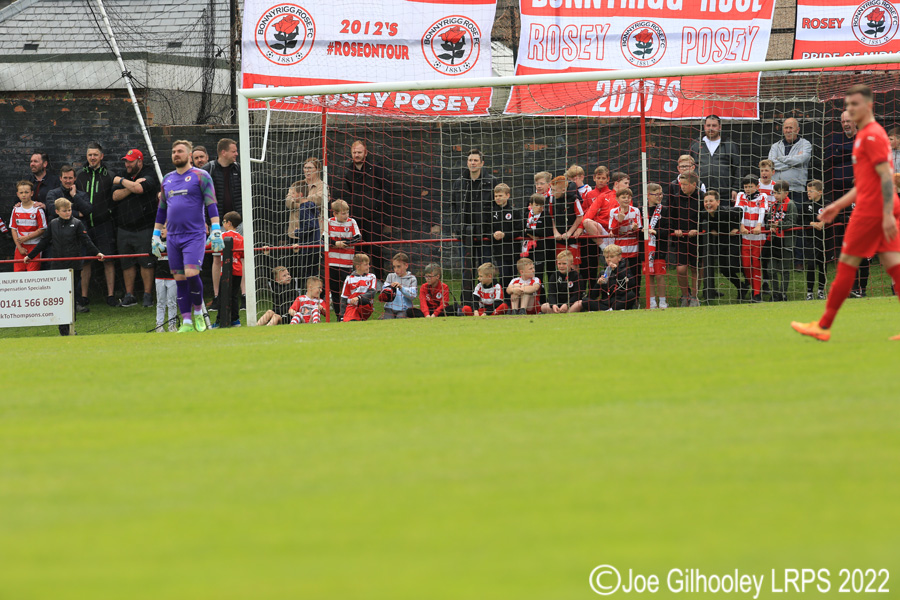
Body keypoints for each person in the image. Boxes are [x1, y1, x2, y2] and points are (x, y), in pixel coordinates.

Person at [793, 85, 900, 340]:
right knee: (895, 267)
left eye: (855, 105)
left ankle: (823, 326)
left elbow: (886, 177)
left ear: (869, 106)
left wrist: (885, 214)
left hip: (873, 210)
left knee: (846, 265)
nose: (850, 110)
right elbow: (865, 182)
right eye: (848, 105)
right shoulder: (867, 134)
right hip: (876, 205)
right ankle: (823, 325)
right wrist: (837, 205)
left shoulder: (872, 136)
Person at [153, 140, 223, 333]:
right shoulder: (167, 179)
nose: (176, 154)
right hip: (173, 236)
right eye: (174, 151)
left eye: (180, 151)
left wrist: (216, 228)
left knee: (192, 273)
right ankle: (187, 322)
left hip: (194, 234)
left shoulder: (201, 176)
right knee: (179, 279)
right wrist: (156, 235)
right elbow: (162, 210)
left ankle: (199, 313)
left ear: (189, 155)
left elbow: (211, 204)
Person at [24, 198, 104, 333]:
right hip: (58, 266)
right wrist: (30, 256)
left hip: (74, 266)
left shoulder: (77, 223)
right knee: (59, 298)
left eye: (69, 210)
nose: (68, 213)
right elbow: (44, 242)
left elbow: (86, 241)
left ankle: (71, 326)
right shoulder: (53, 224)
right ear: (57, 211)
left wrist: (97, 253)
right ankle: (63, 327)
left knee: (71, 297)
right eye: (64, 211)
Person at [335, 140, 393, 275]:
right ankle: (361, 278)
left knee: (376, 249)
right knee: (359, 250)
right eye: (354, 152)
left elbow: (387, 188)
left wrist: (377, 204)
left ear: (365, 153)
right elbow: (350, 190)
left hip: (375, 217)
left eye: (359, 152)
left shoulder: (377, 168)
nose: (357, 155)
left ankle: (379, 279)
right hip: (357, 218)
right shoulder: (349, 171)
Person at [112, 148, 159, 307]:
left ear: (139, 161)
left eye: (130, 161)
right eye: (126, 161)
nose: (127, 164)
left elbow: (140, 189)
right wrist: (131, 185)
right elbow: (115, 196)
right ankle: (129, 295)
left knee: (146, 262)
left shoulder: (149, 173)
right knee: (127, 263)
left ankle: (147, 295)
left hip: (144, 226)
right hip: (124, 228)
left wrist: (121, 182)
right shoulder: (124, 174)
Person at [451, 148, 497, 303]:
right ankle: (467, 302)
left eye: (476, 160)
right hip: (465, 233)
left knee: (486, 268)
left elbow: (496, 205)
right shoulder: (459, 182)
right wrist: (456, 228)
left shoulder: (492, 181)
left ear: (482, 163)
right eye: (470, 160)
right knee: (467, 269)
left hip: (485, 232)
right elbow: (454, 207)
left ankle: (488, 302)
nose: (473, 163)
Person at [76, 142, 117, 307]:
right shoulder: (79, 175)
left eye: (95, 155)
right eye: (89, 155)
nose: (92, 158)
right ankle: (84, 297)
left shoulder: (109, 175)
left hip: (104, 224)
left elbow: (115, 198)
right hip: (84, 224)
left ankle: (111, 295)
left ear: (101, 156)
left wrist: (109, 213)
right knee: (86, 261)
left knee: (108, 259)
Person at [203, 138, 242, 309]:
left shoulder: (239, 169)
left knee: (242, 257)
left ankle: (243, 297)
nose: (236, 154)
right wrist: (204, 222)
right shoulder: (208, 170)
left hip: (239, 223)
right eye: (234, 151)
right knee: (217, 258)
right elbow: (199, 198)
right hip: (216, 223)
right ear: (223, 152)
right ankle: (218, 296)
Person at [699, 190, 746, 301]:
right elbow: (704, 224)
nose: (708, 204)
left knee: (734, 265)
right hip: (721, 242)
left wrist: (736, 227)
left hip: (733, 240)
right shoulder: (704, 213)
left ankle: (749, 283)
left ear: (718, 202)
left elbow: (739, 211)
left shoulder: (726, 211)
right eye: (705, 201)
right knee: (724, 269)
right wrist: (712, 229)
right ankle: (741, 287)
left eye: (711, 201)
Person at [286, 157, 326, 284]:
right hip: (295, 232)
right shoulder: (297, 185)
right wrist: (304, 203)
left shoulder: (322, 186)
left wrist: (302, 202)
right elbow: (288, 201)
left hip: (312, 234)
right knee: (294, 266)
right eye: (305, 168)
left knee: (311, 268)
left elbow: (321, 200)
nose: (307, 170)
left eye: (310, 168)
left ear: (317, 169)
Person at [667, 172, 702, 306]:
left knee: (696, 268)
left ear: (694, 184)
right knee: (681, 269)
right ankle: (685, 296)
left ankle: (694, 297)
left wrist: (698, 229)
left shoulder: (701, 197)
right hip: (681, 239)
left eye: (686, 184)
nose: (683, 187)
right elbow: (671, 216)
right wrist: (674, 229)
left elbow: (705, 216)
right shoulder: (675, 198)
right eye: (681, 184)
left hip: (697, 240)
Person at [690, 115, 742, 201]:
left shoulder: (729, 145)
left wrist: (735, 188)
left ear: (719, 127)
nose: (711, 128)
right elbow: (689, 167)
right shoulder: (696, 145)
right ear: (704, 127)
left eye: (714, 125)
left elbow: (738, 168)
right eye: (708, 125)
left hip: (725, 194)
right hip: (700, 193)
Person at [325, 199, 361, 320]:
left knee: (348, 292)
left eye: (347, 213)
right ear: (334, 213)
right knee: (334, 292)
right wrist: (336, 243)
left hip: (347, 264)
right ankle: (339, 316)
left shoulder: (352, 222)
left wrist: (344, 243)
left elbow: (358, 238)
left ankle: (349, 315)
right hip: (332, 263)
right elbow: (324, 240)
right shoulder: (329, 222)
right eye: (343, 213)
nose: (346, 216)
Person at [735, 175, 769, 302]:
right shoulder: (741, 195)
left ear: (757, 186)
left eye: (751, 186)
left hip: (758, 237)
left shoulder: (762, 197)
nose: (748, 189)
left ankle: (756, 293)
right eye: (746, 187)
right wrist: (742, 225)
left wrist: (759, 226)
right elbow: (740, 210)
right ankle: (753, 286)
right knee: (746, 265)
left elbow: (762, 211)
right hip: (746, 236)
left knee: (756, 264)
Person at [763, 181, 797, 301]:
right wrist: (770, 226)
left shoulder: (791, 205)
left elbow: (793, 222)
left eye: (778, 193)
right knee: (771, 270)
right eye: (774, 193)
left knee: (784, 269)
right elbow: (767, 221)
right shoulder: (773, 206)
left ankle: (783, 293)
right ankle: (775, 292)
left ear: (786, 193)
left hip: (786, 241)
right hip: (773, 240)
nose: (776, 195)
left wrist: (778, 224)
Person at [581, 244, 637, 311]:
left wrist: (616, 270)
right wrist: (598, 284)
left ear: (619, 257)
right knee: (585, 301)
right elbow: (593, 296)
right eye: (607, 257)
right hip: (605, 302)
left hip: (619, 301)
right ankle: (609, 310)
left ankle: (611, 310)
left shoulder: (625, 269)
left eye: (612, 257)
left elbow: (632, 284)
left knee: (632, 295)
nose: (609, 259)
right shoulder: (603, 273)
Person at [213, 211, 244, 328]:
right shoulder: (241, 238)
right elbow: (242, 254)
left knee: (223, 296)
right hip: (238, 272)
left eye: (224, 222)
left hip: (226, 271)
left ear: (229, 223)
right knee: (234, 296)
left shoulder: (223, 236)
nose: (223, 224)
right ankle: (235, 320)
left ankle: (219, 320)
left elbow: (211, 246)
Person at [9, 181, 47, 272]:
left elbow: (42, 229)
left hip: (35, 246)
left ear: (32, 193)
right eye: (21, 193)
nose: (24, 195)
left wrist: (27, 237)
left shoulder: (37, 209)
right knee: (18, 274)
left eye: (26, 192)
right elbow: (13, 229)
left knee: (32, 275)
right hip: (20, 247)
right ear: (17, 194)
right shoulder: (16, 209)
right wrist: (19, 247)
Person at [802, 180, 829, 300]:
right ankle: (809, 292)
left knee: (823, 266)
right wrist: (812, 223)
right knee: (811, 265)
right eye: (807, 191)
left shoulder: (827, 204)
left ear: (820, 192)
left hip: (825, 240)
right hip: (810, 240)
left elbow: (836, 214)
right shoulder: (805, 205)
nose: (808, 193)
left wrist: (823, 222)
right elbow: (800, 220)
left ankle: (821, 291)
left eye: (811, 191)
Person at [645, 183, 669, 309]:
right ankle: (652, 301)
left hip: (660, 247)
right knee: (650, 276)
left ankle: (663, 301)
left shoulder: (664, 210)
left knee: (659, 275)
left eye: (661, 194)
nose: (660, 197)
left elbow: (667, 230)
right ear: (648, 195)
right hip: (646, 248)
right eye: (656, 194)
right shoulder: (641, 210)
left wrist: (656, 232)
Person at [490, 183, 518, 283]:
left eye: (500, 195)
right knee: (504, 275)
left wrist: (505, 235)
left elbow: (519, 231)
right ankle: (504, 298)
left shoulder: (515, 212)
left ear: (507, 195)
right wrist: (493, 235)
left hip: (514, 250)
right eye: (496, 196)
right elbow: (486, 230)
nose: (498, 198)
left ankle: (514, 298)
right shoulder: (491, 212)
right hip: (499, 251)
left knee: (514, 276)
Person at [152, 225, 178, 333]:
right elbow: (152, 252)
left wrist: (165, 249)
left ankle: (172, 325)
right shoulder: (156, 242)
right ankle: (159, 325)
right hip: (159, 276)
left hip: (172, 277)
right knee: (160, 301)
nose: (162, 230)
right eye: (161, 228)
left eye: (164, 228)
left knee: (172, 302)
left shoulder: (175, 241)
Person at [541, 250, 582, 314]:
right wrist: (554, 305)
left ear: (571, 264)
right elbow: (551, 293)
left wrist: (567, 304)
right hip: (557, 305)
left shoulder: (576, 276)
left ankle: (566, 314)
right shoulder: (554, 275)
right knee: (544, 306)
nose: (561, 266)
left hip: (571, 304)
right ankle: (558, 313)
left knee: (579, 304)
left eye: (564, 263)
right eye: (559, 264)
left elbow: (577, 295)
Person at [379, 252, 418, 319]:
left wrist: (401, 288)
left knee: (400, 321)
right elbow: (383, 292)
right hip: (389, 308)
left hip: (404, 309)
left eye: (398, 266)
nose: (396, 269)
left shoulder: (412, 279)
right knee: (387, 322)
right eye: (394, 267)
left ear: (406, 266)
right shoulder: (390, 276)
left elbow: (413, 296)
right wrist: (389, 289)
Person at [523, 193, 554, 275]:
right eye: (537, 205)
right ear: (531, 205)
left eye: (541, 205)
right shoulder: (526, 215)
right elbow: (521, 230)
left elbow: (545, 231)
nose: (539, 208)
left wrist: (528, 231)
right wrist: (530, 234)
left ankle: (540, 287)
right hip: (527, 248)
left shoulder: (546, 216)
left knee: (538, 272)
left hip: (541, 248)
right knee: (527, 271)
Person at [341, 253, 378, 322]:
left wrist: (358, 298)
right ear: (358, 267)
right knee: (350, 322)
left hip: (365, 305)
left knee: (363, 302)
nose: (368, 266)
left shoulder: (371, 277)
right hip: (352, 306)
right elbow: (344, 298)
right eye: (366, 264)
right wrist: (341, 316)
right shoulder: (349, 279)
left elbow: (372, 293)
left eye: (368, 264)